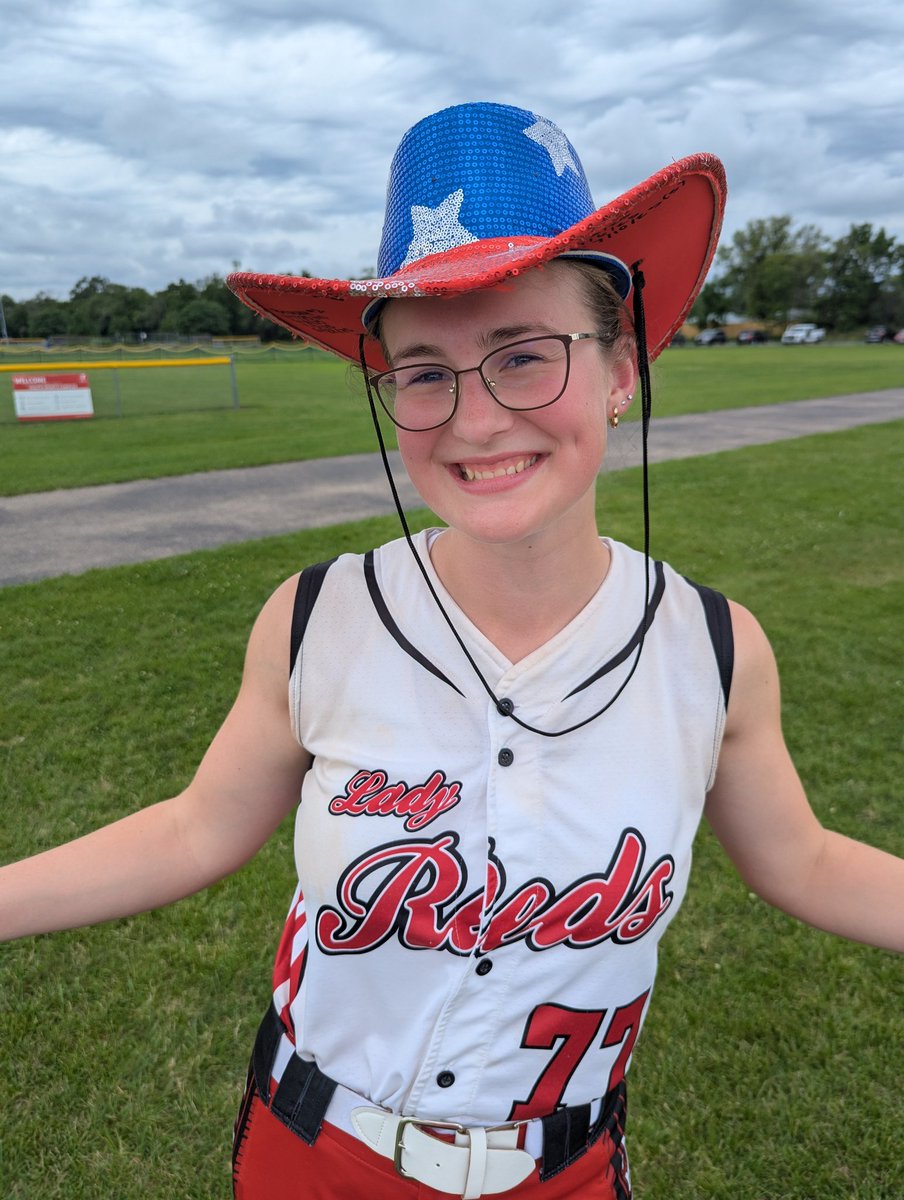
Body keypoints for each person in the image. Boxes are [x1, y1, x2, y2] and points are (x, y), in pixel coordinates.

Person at [2, 102, 902, 1200]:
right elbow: (197, 827)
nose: (474, 421)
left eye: (524, 355)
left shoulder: (713, 648)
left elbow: (803, 859)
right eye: (424, 372)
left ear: (622, 369)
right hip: (311, 1154)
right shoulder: (315, 614)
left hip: (559, 1172)